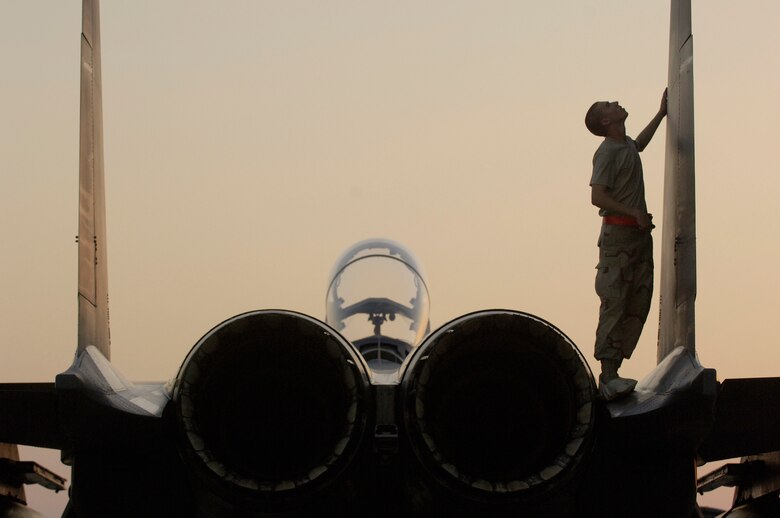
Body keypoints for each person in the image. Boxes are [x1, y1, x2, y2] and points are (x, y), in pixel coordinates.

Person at [585, 89, 667, 401]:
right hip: (618, 238)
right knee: (615, 301)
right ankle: (608, 376)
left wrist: (660, 114)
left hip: (636, 236)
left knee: (637, 300)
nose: (615, 101)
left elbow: (639, 146)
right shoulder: (606, 152)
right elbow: (597, 195)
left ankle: (615, 369)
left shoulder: (625, 145)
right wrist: (631, 211)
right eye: (608, 104)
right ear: (606, 121)